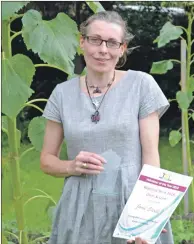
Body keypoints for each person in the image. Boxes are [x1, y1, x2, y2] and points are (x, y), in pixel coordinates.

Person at [40, 10, 174, 244]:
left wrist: (147, 217)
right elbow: (46, 160)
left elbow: (151, 155)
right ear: (82, 42)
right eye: (95, 40)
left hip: (130, 204)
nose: (103, 49)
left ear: (122, 49)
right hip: (79, 208)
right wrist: (72, 165)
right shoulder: (62, 94)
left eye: (112, 43)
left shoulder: (141, 85)